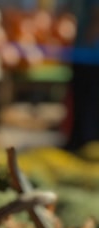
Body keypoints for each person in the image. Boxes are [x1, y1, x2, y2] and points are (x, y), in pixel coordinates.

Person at [65, 0, 99, 149]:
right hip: (82, 54)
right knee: (80, 101)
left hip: (91, 57)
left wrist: (88, 38)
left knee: (88, 103)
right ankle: (80, 140)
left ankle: (86, 142)